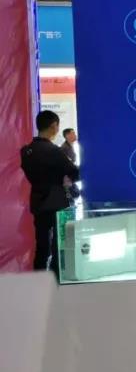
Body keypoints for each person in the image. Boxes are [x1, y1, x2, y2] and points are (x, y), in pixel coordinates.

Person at [20, 110, 80, 276]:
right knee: (58, 246)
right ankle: (55, 280)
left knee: (42, 246)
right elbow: (74, 173)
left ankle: (37, 279)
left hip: (38, 202)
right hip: (57, 202)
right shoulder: (54, 151)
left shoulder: (26, 151)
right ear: (54, 126)